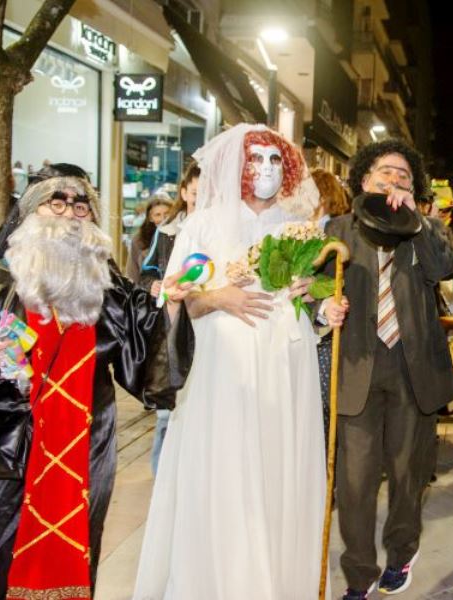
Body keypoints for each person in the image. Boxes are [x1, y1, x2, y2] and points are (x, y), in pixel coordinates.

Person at [0, 176, 191, 600]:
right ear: (28, 214)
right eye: (56, 203)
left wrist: (173, 306)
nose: (69, 214)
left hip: (84, 448)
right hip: (3, 451)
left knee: (77, 549)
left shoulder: (105, 289)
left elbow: (145, 342)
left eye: (80, 206)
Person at [134, 124, 334, 598]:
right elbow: (175, 298)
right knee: (225, 472)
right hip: (222, 369)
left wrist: (319, 300)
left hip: (285, 367)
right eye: (256, 158)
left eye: (275, 160)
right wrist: (218, 296)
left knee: (278, 471)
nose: (265, 169)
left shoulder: (298, 228)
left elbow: (308, 299)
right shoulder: (203, 225)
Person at [320, 139, 453, 599]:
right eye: (385, 172)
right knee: (355, 482)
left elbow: (444, 269)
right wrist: (322, 309)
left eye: (404, 176)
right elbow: (312, 288)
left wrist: (418, 223)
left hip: (412, 368)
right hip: (356, 367)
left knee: (407, 474)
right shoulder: (337, 229)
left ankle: (401, 554)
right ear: (365, 180)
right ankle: (359, 574)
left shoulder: (426, 229)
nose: (394, 181)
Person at [140, 161, 200, 476]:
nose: (199, 200)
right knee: (167, 414)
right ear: (184, 192)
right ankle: (162, 477)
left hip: (205, 329)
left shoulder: (219, 232)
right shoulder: (167, 233)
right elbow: (145, 274)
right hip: (170, 328)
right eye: (195, 193)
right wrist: (153, 285)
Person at [0, 163, 92, 268]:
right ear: (31, 211)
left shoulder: (101, 273)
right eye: (57, 205)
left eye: (80, 207)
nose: (69, 214)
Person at [310, 168, 351, 444]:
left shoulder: (330, 231)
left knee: (323, 405)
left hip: (326, 331)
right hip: (315, 327)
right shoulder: (302, 229)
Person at [125, 196, 172, 286]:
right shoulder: (139, 241)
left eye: (167, 213)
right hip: (147, 291)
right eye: (157, 215)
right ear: (150, 218)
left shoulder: (180, 236)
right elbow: (132, 274)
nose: (163, 219)